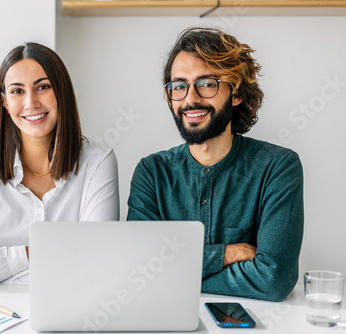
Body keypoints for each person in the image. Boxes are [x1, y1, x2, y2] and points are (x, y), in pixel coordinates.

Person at [127, 27, 304, 301]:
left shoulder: (278, 167)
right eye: (179, 86)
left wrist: (173, 272)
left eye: (207, 83)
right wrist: (228, 254)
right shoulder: (152, 173)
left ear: (236, 94)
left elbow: (274, 279)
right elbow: (136, 269)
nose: (190, 98)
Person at [0, 42, 119, 286]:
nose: (31, 103)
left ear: (61, 92)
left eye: (42, 87)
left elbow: (98, 264)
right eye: (17, 91)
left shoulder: (97, 163)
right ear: (5, 102)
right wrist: (37, 252)